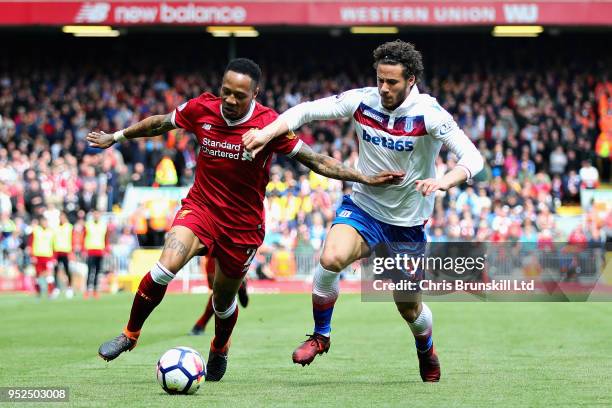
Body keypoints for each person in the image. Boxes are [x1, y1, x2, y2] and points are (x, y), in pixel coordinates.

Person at [88, 58, 402, 381]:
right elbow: (159, 124)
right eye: (226, 92)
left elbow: (316, 161)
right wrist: (117, 137)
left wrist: (364, 177)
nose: (231, 101)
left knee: (223, 301)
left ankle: (220, 346)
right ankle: (130, 334)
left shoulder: (269, 125)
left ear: (255, 94)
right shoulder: (201, 109)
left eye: (240, 95)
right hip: (201, 209)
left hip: (242, 226)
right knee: (164, 265)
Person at [243, 40, 485, 382]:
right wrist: (267, 132)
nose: (383, 88)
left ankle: (425, 348)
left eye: (392, 82)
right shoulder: (362, 100)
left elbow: (473, 158)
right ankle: (321, 336)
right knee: (330, 259)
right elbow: (306, 111)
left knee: (409, 308)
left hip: (406, 225)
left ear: (411, 79)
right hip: (363, 207)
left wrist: (445, 180)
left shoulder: (429, 114)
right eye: (380, 80)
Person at [189, 256, 249, 336]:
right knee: (216, 288)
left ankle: (200, 325)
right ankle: (240, 285)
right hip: (213, 254)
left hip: (226, 254)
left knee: (220, 290)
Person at [84, 211, 108, 299]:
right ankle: (87, 291)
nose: (96, 216)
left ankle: (95, 291)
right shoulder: (88, 225)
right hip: (90, 251)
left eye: (98, 214)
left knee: (97, 272)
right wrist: (84, 249)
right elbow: (84, 236)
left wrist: (106, 249)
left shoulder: (103, 225)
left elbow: (106, 238)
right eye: (95, 214)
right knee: (90, 271)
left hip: (99, 251)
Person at [53, 212, 74, 299]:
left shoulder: (69, 227)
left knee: (67, 270)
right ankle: (56, 288)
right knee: (56, 270)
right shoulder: (56, 228)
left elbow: (72, 239)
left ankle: (69, 288)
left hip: (66, 251)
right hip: (57, 252)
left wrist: (71, 252)